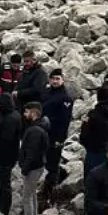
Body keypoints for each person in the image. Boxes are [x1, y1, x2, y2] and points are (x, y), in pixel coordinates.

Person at [41, 68, 75, 200]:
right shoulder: (47, 92)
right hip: (44, 132)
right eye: (53, 79)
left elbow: (65, 120)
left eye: (57, 79)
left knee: (52, 163)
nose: (55, 81)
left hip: (55, 135)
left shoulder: (65, 98)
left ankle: (49, 193)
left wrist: (60, 139)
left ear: (62, 80)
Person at [18, 101, 50, 215]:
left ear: (33, 112)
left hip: (33, 167)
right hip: (38, 166)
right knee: (32, 195)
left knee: (27, 197)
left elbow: (32, 152)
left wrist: (25, 168)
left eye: (26, 112)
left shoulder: (34, 130)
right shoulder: (40, 127)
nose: (25, 115)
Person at [0, 94, 22, 215]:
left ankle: (4, 211)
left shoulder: (11, 118)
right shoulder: (5, 115)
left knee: (5, 183)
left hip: (6, 156)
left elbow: (6, 139)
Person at [79, 84, 108, 176]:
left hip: (94, 150)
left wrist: (85, 143)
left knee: (91, 177)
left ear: (98, 98)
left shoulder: (93, 114)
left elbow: (84, 132)